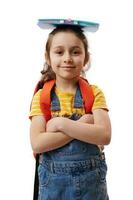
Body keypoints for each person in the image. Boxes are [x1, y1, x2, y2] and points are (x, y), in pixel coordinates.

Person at [29, 20, 111, 200]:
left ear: (86, 58)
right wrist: (83, 125)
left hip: (92, 185)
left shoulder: (94, 93)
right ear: (48, 57)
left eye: (75, 52)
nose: (67, 58)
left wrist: (60, 124)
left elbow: (104, 135)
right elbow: (37, 143)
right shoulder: (42, 97)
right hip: (53, 186)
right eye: (59, 52)